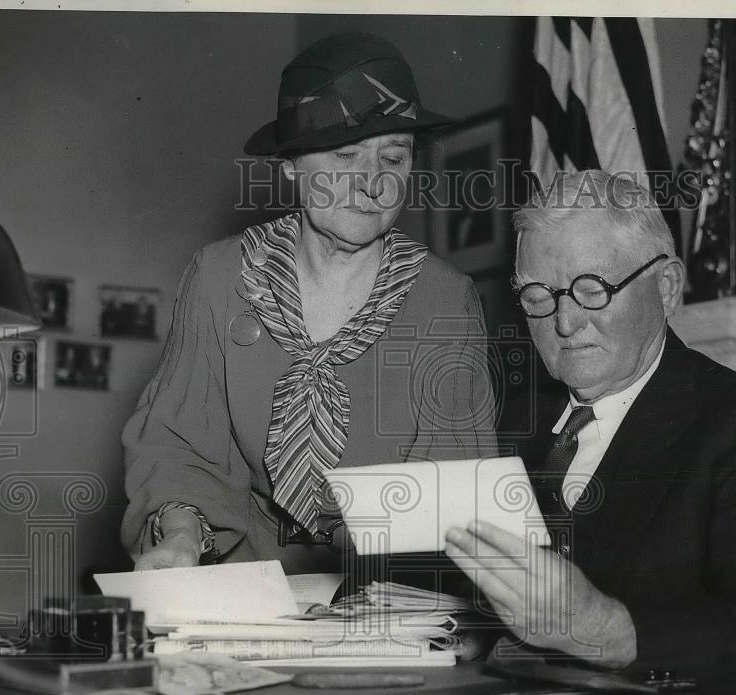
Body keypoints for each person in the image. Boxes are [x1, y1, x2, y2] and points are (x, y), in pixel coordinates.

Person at [446, 170, 736, 695]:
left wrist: (611, 632)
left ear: (666, 287)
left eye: (592, 290)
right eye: (539, 296)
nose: (565, 322)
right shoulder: (507, 423)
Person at [122, 33, 497, 573]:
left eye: (393, 158)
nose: (373, 184)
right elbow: (178, 445)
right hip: (243, 581)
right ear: (291, 165)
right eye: (346, 155)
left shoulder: (445, 300)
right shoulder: (219, 277)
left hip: (389, 589)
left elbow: (457, 488)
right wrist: (180, 535)